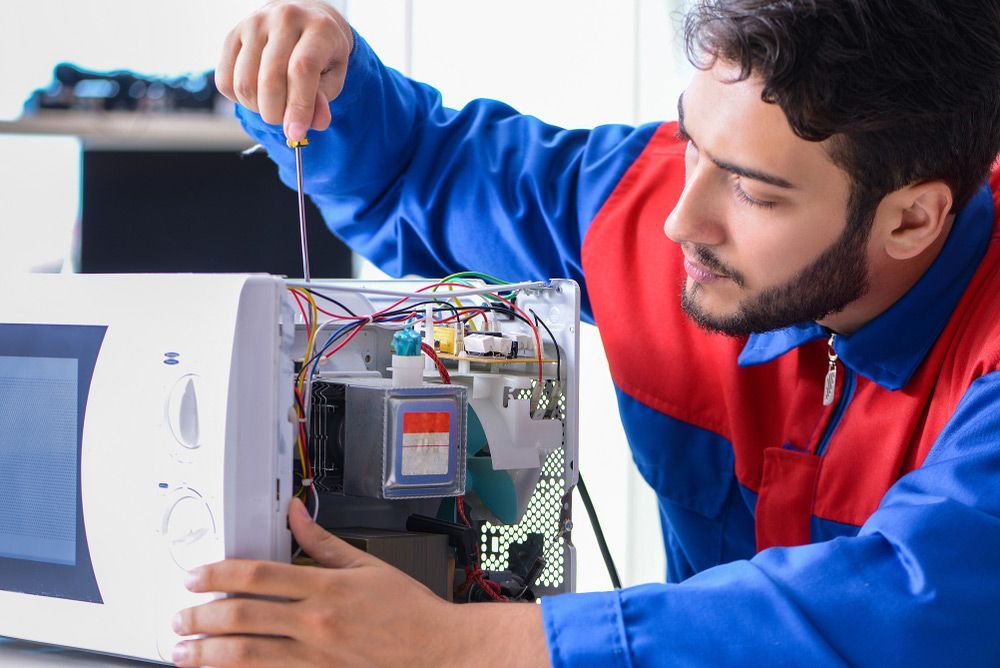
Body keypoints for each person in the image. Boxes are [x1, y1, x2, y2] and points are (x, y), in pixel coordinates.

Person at [169, 0, 1000, 665]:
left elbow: (918, 607)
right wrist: (327, 81)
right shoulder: (646, 209)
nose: (680, 220)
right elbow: (419, 165)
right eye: (690, 142)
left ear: (913, 218)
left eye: (754, 193)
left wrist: (457, 648)